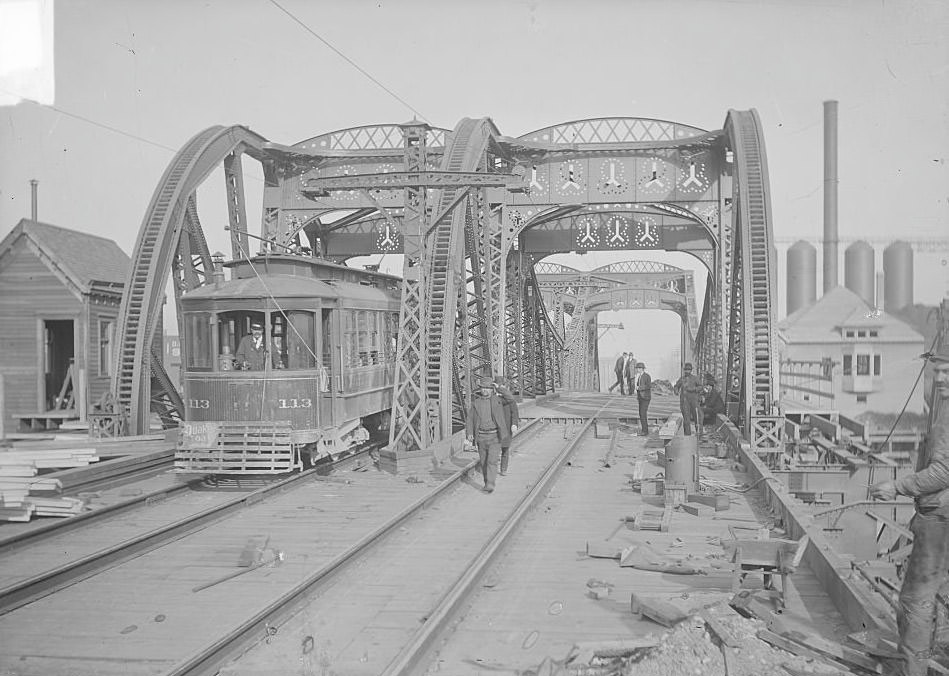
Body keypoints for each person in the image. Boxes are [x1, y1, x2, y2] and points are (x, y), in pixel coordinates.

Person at [870, 350, 949, 676]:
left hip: (938, 517)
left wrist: (897, 487)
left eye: (946, 372)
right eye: (938, 372)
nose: (939, 379)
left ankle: (911, 670)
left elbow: (943, 472)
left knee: (917, 597)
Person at [466, 376, 510, 493]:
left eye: (487, 388)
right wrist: (470, 433)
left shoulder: (498, 400)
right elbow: (470, 419)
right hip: (481, 437)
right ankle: (487, 482)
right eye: (483, 388)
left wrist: (499, 388)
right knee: (484, 462)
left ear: (491, 389)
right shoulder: (476, 403)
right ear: (480, 389)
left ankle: (490, 484)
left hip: (494, 436)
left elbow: (510, 398)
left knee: (492, 461)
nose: (485, 390)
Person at [493, 376, 520, 476]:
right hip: (495, 427)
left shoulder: (509, 399)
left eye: (502, 386)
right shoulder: (493, 398)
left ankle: (503, 469)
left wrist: (514, 424)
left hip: (507, 427)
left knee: (505, 448)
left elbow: (515, 413)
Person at [673, 362, 703, 436]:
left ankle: (699, 433)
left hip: (694, 401)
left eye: (688, 370)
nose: (687, 371)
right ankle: (687, 435)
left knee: (698, 417)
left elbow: (701, 387)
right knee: (686, 420)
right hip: (684, 402)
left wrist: (693, 389)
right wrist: (676, 390)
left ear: (691, 370)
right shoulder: (682, 379)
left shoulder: (695, 378)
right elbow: (676, 386)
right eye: (686, 370)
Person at [633, 362, 652, 436]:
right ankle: (644, 430)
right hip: (640, 398)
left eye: (639, 368)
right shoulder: (639, 376)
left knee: (642, 413)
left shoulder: (647, 376)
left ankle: (645, 431)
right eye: (637, 368)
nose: (637, 369)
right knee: (641, 414)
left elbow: (648, 386)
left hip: (645, 398)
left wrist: (639, 388)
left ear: (642, 369)